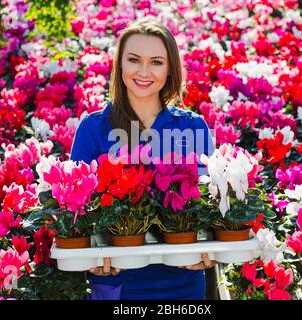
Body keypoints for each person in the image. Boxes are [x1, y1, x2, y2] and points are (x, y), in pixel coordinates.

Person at [70, 17, 217, 300]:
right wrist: (91, 254)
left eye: (157, 62)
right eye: (134, 60)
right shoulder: (94, 128)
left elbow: (207, 205)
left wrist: (208, 252)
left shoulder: (192, 127)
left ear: (171, 68)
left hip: (182, 280)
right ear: (120, 65)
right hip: (117, 281)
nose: (144, 71)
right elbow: (75, 211)